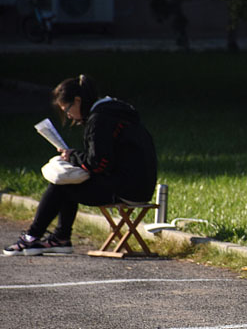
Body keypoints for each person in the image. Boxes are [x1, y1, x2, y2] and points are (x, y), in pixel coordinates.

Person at [4, 75, 157, 256]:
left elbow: (99, 164)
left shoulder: (100, 119)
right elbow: (105, 159)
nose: (68, 115)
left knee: (61, 184)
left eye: (67, 109)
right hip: (140, 186)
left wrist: (72, 156)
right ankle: (60, 238)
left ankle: (31, 237)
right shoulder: (115, 112)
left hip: (127, 189)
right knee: (69, 182)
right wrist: (77, 158)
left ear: (78, 101)